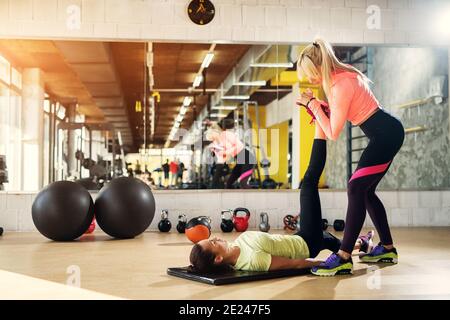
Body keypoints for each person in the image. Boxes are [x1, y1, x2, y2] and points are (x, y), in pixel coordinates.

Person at [189, 123, 375, 273]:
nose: (216, 238)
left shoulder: (237, 244)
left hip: (297, 238)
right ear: (218, 258)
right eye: (213, 243)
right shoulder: (251, 260)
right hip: (308, 242)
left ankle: (363, 244)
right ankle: (320, 126)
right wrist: (325, 265)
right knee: (309, 184)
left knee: (333, 241)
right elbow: (290, 264)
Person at [296, 38, 404, 276]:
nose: (310, 79)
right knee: (364, 191)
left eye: (311, 73)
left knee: (355, 188)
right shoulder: (338, 80)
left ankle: (344, 257)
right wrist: (318, 106)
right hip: (385, 133)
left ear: (320, 66)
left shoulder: (340, 84)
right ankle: (387, 248)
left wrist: (313, 104)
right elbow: (336, 116)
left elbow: (333, 132)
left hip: (386, 135)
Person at [205, 121, 255, 189]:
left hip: (248, 159)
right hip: (239, 162)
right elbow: (221, 162)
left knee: (243, 183)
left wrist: (226, 152)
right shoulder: (216, 144)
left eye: (212, 137)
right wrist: (214, 183)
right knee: (228, 184)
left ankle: (255, 197)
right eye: (211, 139)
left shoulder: (226, 134)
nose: (212, 140)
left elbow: (239, 146)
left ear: (215, 132)